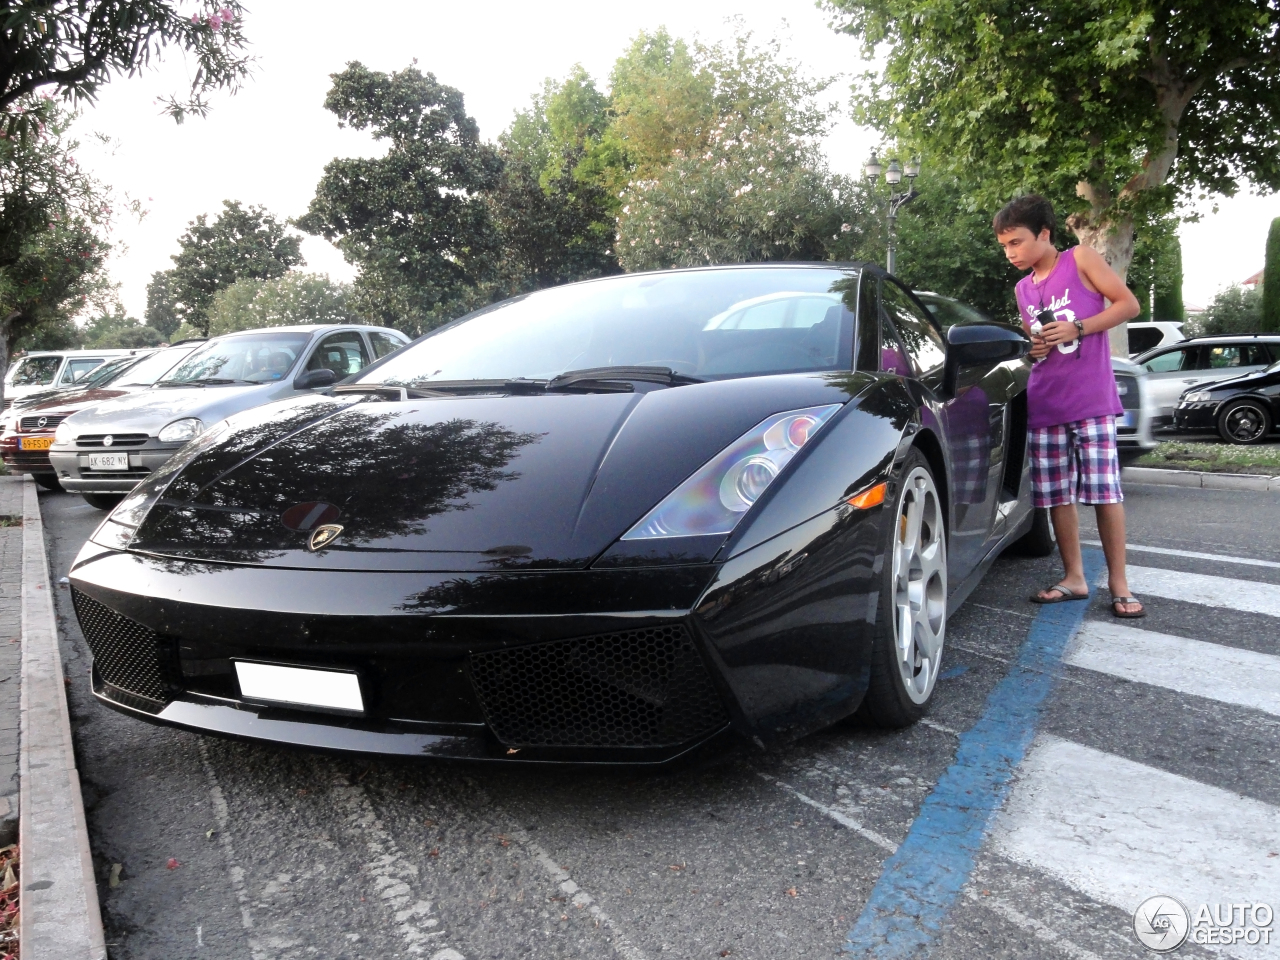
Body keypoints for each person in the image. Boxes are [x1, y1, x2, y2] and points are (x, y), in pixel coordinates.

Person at [993, 194, 1145, 618]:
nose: (1011, 253)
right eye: (1005, 246)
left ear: (1044, 234)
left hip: (1091, 400)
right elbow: (1037, 345)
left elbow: (1128, 305)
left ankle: (1120, 584)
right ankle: (1074, 577)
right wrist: (1036, 348)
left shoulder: (1080, 258)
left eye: (1017, 242)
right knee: (1057, 496)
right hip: (1046, 403)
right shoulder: (1023, 289)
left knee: (1104, 493)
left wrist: (1078, 326)